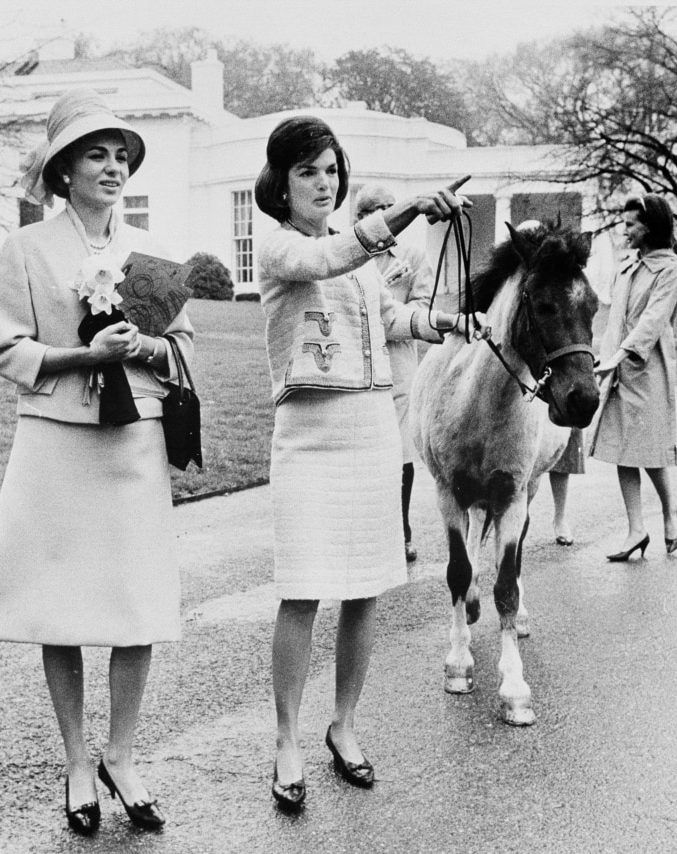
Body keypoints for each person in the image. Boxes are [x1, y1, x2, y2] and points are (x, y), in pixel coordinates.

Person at [0, 89, 195, 835]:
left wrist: (146, 346)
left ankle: (121, 755)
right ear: (62, 170)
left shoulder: (149, 253)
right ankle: (76, 763)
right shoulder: (25, 248)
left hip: (133, 439)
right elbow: (7, 349)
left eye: (120, 155)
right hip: (56, 436)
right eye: (96, 153)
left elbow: (183, 348)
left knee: (135, 599)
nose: (113, 167)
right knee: (59, 600)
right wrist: (80, 355)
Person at [254, 115, 482, 810]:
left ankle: (344, 725)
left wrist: (441, 323)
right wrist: (409, 209)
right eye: (307, 171)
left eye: (330, 170)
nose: (323, 183)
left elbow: (387, 315)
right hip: (308, 429)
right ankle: (286, 738)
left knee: (363, 589)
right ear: (281, 183)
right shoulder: (280, 248)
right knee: (301, 589)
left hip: (370, 428)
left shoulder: (351, 252)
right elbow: (327, 263)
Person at [590, 193, 677, 561]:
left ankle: (670, 510)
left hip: (647, 370)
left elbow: (652, 322)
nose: (624, 230)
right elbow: (615, 318)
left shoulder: (670, 269)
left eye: (631, 224)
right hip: (617, 370)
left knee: (649, 450)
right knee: (621, 450)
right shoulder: (627, 265)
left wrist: (620, 357)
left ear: (651, 227)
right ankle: (635, 531)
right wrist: (604, 358)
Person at [353, 183, 435, 562]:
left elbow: (421, 306)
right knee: (363, 445)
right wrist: (382, 292)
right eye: (376, 209)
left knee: (401, 446)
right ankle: (367, 528)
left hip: (399, 359)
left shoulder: (415, 256)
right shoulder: (352, 254)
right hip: (356, 359)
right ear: (361, 218)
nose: (387, 213)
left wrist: (388, 312)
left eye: (391, 206)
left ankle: (401, 530)